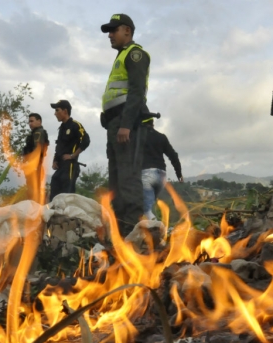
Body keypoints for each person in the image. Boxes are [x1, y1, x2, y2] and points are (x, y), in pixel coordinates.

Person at [100, 13, 151, 236]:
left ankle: (133, 234)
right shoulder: (121, 56)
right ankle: (121, 235)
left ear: (127, 31)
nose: (110, 35)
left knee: (128, 179)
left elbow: (137, 92)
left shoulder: (135, 54)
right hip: (116, 124)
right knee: (116, 182)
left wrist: (126, 125)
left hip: (126, 124)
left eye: (113, 30)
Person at [49, 100, 90, 201]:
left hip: (70, 165)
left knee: (66, 196)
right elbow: (59, 146)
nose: (55, 113)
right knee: (54, 190)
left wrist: (73, 155)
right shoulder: (62, 128)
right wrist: (55, 160)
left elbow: (86, 141)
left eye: (57, 110)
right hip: (60, 166)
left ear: (65, 111)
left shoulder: (75, 125)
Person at [141, 122, 183, 220]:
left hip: (147, 175)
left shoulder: (139, 137)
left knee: (147, 210)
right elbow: (173, 155)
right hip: (161, 176)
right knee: (150, 206)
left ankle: (158, 230)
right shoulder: (161, 137)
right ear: (153, 123)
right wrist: (179, 173)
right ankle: (151, 230)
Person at [22, 112, 49, 203]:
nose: (30, 124)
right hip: (34, 165)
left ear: (39, 121)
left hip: (35, 166)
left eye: (32, 121)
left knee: (34, 190)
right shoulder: (34, 133)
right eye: (29, 122)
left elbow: (37, 149)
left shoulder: (39, 132)